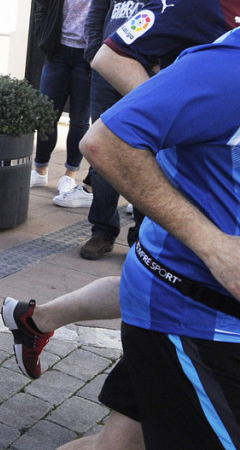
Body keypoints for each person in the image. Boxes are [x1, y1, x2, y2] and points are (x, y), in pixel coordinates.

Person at [3, 0, 240, 449]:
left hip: (189, 256)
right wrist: (169, 125)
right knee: (146, 266)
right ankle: (37, 317)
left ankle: (35, 319)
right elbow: (109, 53)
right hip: (186, 235)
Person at [77, 23, 240, 450]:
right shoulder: (227, 68)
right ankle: (37, 317)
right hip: (194, 314)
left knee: (117, 446)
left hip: (198, 315)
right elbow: (105, 141)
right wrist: (213, 244)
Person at [80, 0, 207, 260]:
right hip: (110, 66)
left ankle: (142, 234)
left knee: (150, 154)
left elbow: (195, 10)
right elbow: (100, 6)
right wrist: (94, 52)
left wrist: (169, 64)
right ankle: (102, 229)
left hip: (156, 74)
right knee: (103, 147)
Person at [30, 0, 119, 199]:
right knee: (47, 114)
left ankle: (69, 174)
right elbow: (42, 6)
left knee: (80, 120)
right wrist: (44, 37)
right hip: (58, 54)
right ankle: (40, 170)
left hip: (89, 58)